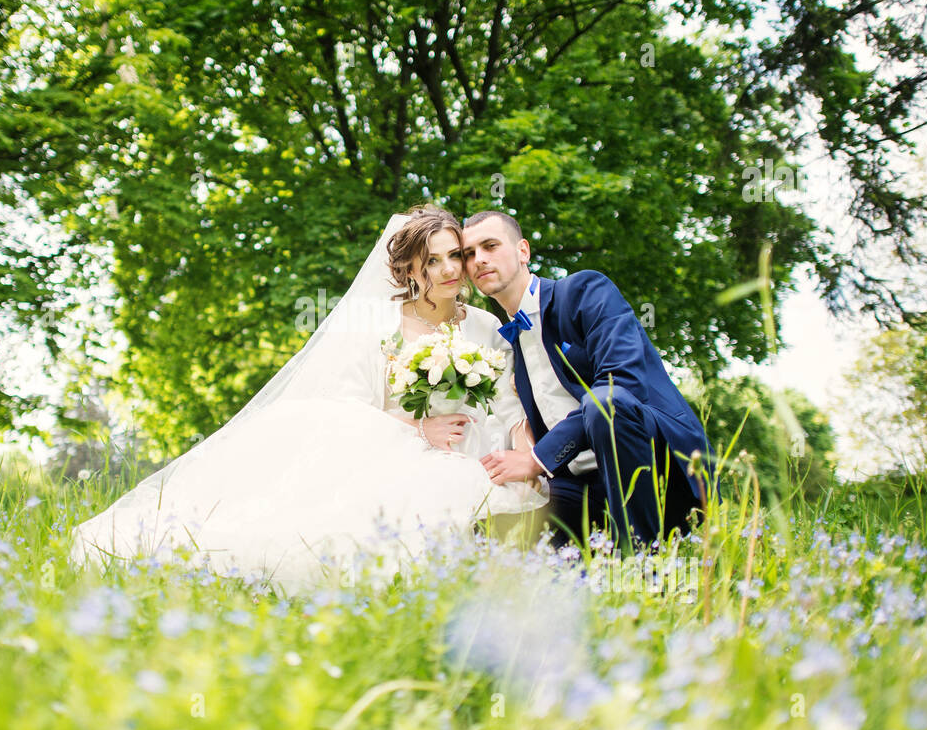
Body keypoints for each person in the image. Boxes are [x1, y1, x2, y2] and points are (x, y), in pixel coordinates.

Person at [70, 205, 548, 594]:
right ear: (409, 269)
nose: (448, 270)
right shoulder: (377, 323)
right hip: (397, 446)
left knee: (505, 494)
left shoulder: (485, 326)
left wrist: (525, 449)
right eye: (432, 261)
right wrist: (421, 429)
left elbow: (508, 406)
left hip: (473, 448)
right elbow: (341, 408)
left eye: (453, 256)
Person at [462, 210, 711, 552]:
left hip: (655, 474)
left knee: (606, 401)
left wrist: (536, 459)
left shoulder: (584, 291)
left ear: (523, 251)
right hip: (578, 484)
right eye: (469, 253)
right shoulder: (508, 348)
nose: (479, 259)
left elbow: (623, 382)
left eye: (490, 245)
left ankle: (643, 561)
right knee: (492, 531)